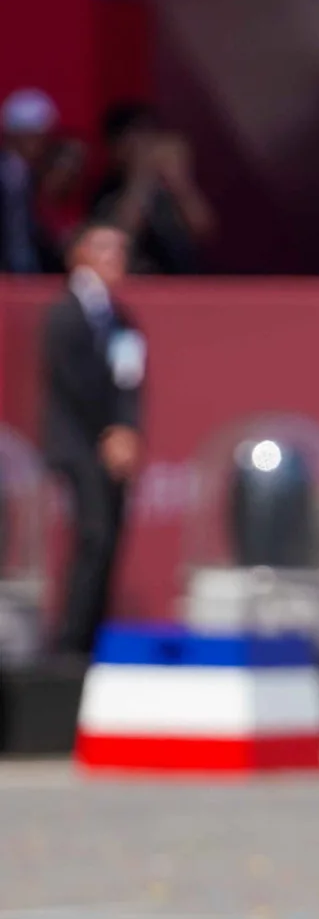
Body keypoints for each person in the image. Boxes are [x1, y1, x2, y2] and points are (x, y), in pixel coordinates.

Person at [42, 222, 144, 656]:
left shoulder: (122, 320)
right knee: (93, 533)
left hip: (111, 447)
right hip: (77, 443)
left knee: (112, 536)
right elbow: (73, 383)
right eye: (104, 249)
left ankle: (96, 636)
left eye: (120, 251)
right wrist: (105, 433)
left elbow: (130, 381)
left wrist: (126, 430)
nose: (114, 259)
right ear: (79, 255)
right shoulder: (65, 315)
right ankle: (70, 641)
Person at [91, 102, 216, 274]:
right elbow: (120, 234)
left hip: (181, 283)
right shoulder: (107, 190)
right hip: (134, 283)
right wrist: (141, 178)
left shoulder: (167, 190)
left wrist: (178, 181)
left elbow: (203, 230)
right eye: (136, 140)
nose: (148, 148)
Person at [1, 87, 60, 274]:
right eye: (40, 136)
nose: (45, 144)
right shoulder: (11, 175)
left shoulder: (27, 174)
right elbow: (16, 237)